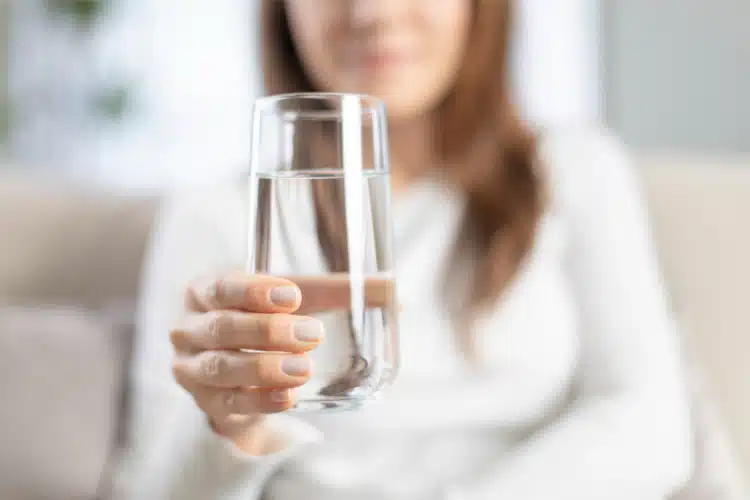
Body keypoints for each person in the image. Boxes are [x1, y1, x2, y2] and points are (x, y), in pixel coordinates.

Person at [112, 1, 693, 498]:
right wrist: (227, 431)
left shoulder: (573, 172)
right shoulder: (219, 215)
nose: (373, 13)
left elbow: (650, 423)